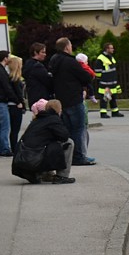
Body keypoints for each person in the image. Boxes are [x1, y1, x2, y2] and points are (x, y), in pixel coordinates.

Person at [47, 38, 95, 166]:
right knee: (78, 129)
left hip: (62, 101)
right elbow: (86, 77)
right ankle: (78, 157)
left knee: (67, 130)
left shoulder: (53, 61)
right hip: (74, 99)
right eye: (71, 45)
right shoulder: (70, 61)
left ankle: (67, 155)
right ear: (67, 47)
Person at [13, 99, 74, 184]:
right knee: (69, 142)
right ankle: (62, 176)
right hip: (34, 159)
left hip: (22, 160)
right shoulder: (53, 119)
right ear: (59, 110)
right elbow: (64, 136)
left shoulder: (37, 119)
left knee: (47, 144)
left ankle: (44, 174)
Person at [0, 50, 17, 156]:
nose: (10, 59)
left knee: (0, 126)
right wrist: (16, 100)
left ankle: (0, 148)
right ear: (5, 58)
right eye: (9, 57)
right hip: (0, 102)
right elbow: (7, 88)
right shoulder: (1, 72)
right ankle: (5, 149)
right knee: (5, 126)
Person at [92, 42, 123, 119]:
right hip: (105, 83)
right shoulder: (100, 59)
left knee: (113, 97)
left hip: (112, 82)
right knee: (105, 98)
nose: (113, 49)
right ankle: (103, 113)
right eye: (111, 48)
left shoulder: (111, 57)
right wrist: (102, 79)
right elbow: (98, 72)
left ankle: (115, 112)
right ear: (107, 49)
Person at [4, 55, 25, 154]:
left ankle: (13, 146)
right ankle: (14, 147)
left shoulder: (10, 78)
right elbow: (18, 93)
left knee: (13, 128)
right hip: (16, 105)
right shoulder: (16, 79)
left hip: (11, 105)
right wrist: (20, 102)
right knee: (15, 128)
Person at [23, 43, 53, 108]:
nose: (45, 54)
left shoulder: (27, 64)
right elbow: (48, 81)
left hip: (33, 98)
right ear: (35, 53)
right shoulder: (38, 66)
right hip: (41, 99)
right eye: (43, 52)